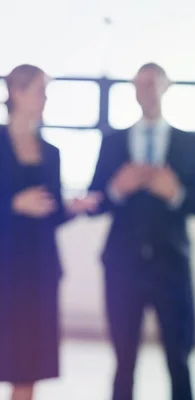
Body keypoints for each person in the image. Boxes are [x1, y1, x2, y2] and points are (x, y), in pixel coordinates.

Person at [87, 62, 195, 400]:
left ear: (165, 86)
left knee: (179, 360)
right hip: (121, 266)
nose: (143, 90)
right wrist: (116, 190)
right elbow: (95, 201)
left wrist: (176, 193)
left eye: (150, 83)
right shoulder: (113, 142)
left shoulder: (189, 144)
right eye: (138, 84)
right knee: (123, 361)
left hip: (171, 267)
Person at [0, 64, 100, 400]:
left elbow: (50, 213)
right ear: (17, 92)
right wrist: (13, 204)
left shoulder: (51, 152)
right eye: (40, 91)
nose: (45, 99)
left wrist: (72, 208)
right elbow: (19, 204)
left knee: (27, 365)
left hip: (38, 273)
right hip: (4, 269)